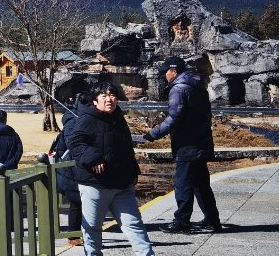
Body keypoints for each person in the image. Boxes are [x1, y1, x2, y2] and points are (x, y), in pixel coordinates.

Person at [67, 83, 154, 256]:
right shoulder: (86, 119)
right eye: (104, 95)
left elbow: (125, 148)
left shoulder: (118, 117)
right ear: (94, 100)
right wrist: (93, 159)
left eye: (112, 95)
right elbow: (75, 143)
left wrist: (133, 171)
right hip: (95, 184)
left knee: (134, 224)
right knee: (92, 227)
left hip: (122, 184)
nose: (109, 99)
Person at [145, 56, 223, 233]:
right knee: (201, 184)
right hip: (201, 142)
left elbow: (174, 117)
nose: (165, 76)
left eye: (166, 72)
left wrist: (153, 134)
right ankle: (212, 219)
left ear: (174, 71)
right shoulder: (198, 85)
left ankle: (182, 222)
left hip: (187, 145)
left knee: (183, 184)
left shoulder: (178, 89)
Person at [49, 100, 83, 246]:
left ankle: (77, 233)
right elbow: (72, 145)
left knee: (79, 203)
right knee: (76, 202)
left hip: (72, 170)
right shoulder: (72, 123)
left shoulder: (73, 120)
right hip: (70, 171)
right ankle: (73, 235)